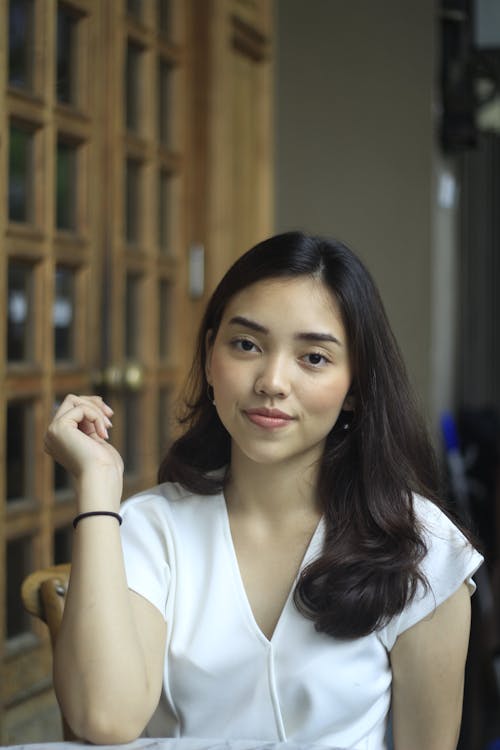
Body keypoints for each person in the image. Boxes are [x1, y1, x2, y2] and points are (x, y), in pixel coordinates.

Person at [45, 232, 483, 750]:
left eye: (314, 358)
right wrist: (97, 486)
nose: (272, 381)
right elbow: (103, 719)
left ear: (356, 387)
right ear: (210, 359)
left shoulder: (422, 548)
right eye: (247, 345)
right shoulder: (150, 528)